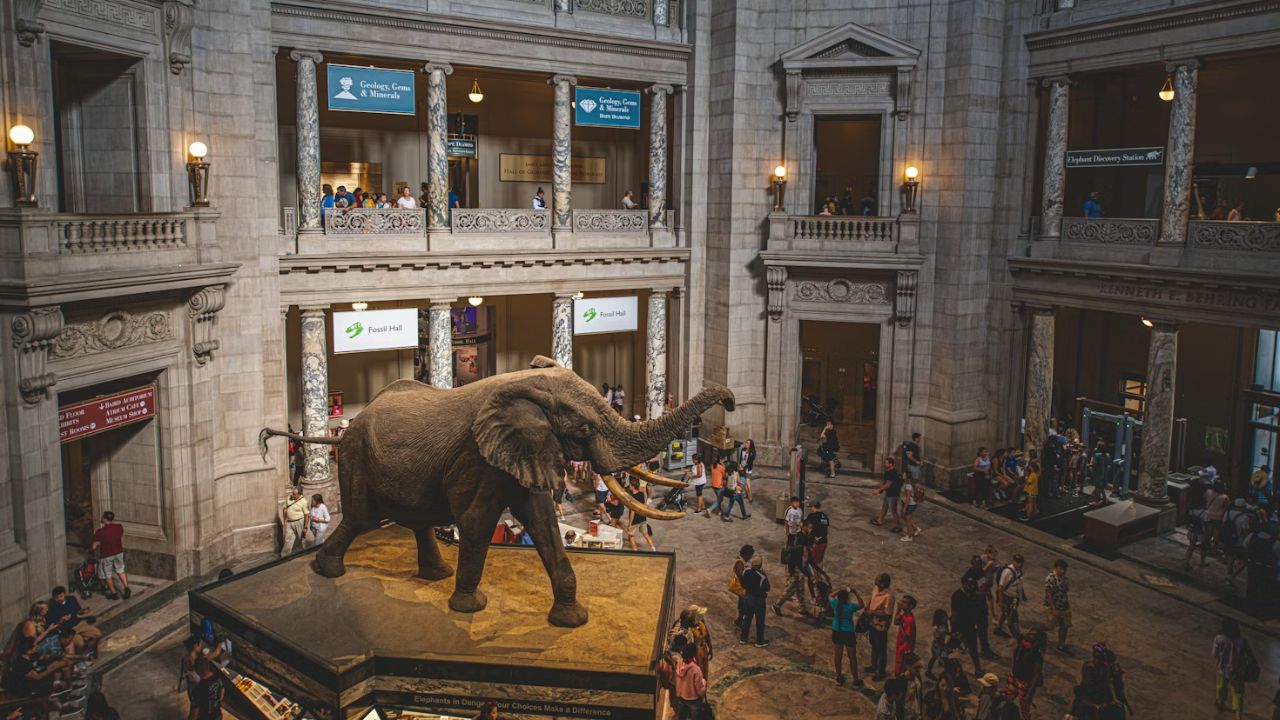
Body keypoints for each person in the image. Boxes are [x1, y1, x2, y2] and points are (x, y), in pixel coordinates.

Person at [46, 586, 100, 657]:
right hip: (69, 630)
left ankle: (86, 654)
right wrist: (61, 620)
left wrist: (83, 611)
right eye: (56, 598)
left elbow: (78, 611)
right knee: (80, 644)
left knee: (97, 634)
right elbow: (53, 624)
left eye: (61, 596)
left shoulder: (71, 599)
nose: (59, 599)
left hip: (79, 624)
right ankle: (79, 659)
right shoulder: (52, 609)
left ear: (64, 594)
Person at [950, 576, 986, 677]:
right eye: (968, 584)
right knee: (951, 647)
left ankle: (978, 669)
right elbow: (954, 614)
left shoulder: (971, 593)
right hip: (960, 628)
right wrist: (954, 630)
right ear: (963, 584)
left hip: (970, 626)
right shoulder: (957, 596)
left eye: (971, 584)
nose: (970, 586)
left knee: (973, 648)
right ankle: (942, 661)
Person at [91, 511, 130, 600]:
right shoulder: (119, 527)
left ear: (104, 519)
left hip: (107, 555)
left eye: (102, 517)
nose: (101, 518)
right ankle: (126, 588)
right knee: (120, 570)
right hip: (119, 552)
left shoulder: (100, 532)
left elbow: (93, 547)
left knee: (107, 574)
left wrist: (95, 543)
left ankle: (114, 593)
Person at [830, 586, 864, 686]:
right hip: (848, 632)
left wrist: (839, 590)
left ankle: (839, 676)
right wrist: (855, 592)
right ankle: (856, 679)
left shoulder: (835, 604)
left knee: (838, 655)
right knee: (852, 657)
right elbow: (862, 605)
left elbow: (830, 595)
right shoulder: (850, 606)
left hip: (837, 630)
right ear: (847, 598)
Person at [1213, 618, 1247, 719]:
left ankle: (1221, 703)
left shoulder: (1219, 639)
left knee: (1221, 687)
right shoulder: (1241, 641)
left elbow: (1215, 654)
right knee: (1238, 692)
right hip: (1237, 671)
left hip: (1222, 669)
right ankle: (1238, 714)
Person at [1009, 629, 1046, 720]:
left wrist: (1030, 692)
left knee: (1024, 708)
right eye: (1029, 632)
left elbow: (1036, 674)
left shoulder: (1036, 655)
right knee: (1008, 700)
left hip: (1026, 683)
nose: (1029, 634)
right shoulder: (1020, 648)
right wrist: (1012, 676)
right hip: (1015, 678)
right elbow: (1014, 663)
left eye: (1032, 635)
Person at [867, 573, 896, 681]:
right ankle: (874, 665)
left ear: (883, 583)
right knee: (874, 644)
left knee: (881, 649)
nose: (875, 583)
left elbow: (887, 614)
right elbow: (872, 598)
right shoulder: (876, 588)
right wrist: (868, 607)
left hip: (880, 626)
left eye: (877, 581)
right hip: (872, 623)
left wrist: (873, 612)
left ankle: (880, 672)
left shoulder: (889, 596)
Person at [670, 605, 713, 679]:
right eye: (691, 621)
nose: (693, 622)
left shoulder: (698, 622)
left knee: (703, 673)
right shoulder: (680, 633)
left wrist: (710, 647)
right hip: (693, 656)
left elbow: (706, 634)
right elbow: (679, 654)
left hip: (701, 651)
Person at [740, 555, 771, 647]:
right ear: (760, 565)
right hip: (758, 600)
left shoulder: (746, 572)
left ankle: (743, 638)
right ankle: (759, 641)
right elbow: (767, 588)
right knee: (760, 620)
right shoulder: (762, 576)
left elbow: (743, 584)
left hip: (748, 597)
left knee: (747, 618)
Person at [993, 554, 1026, 638]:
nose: (1020, 564)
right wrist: (1000, 601)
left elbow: (1019, 583)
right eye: (1018, 562)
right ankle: (1017, 636)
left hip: (1014, 598)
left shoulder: (1019, 571)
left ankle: (998, 627)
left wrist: (1022, 594)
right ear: (1014, 561)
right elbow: (1001, 587)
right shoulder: (1007, 572)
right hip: (1006, 597)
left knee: (1005, 613)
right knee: (1012, 618)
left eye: (1021, 563)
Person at [1043, 559, 1071, 653]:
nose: (1063, 571)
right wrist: (1053, 609)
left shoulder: (1064, 578)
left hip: (1064, 605)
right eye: (1061, 569)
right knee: (1049, 626)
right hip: (1055, 606)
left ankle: (1061, 645)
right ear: (1056, 568)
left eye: (1064, 569)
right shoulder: (1051, 578)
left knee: (1064, 626)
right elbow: (1049, 594)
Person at [673, 644, 707, 719]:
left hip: (681, 696)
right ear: (693, 654)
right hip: (693, 699)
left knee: (682, 716)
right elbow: (700, 689)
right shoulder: (696, 669)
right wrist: (704, 683)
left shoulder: (679, 664)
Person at [873, 457, 904, 534]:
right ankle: (879, 520)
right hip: (889, 493)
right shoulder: (889, 471)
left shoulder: (891, 472)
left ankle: (897, 526)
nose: (884, 464)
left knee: (893, 511)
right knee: (885, 507)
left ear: (891, 464)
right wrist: (882, 490)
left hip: (893, 494)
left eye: (886, 463)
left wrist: (878, 490)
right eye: (884, 462)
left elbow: (888, 484)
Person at [625, 475, 657, 550]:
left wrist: (630, 524)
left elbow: (632, 512)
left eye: (630, 485)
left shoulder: (633, 498)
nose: (629, 486)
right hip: (643, 518)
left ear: (633, 487)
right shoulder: (642, 494)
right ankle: (653, 549)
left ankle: (635, 550)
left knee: (631, 535)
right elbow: (644, 505)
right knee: (646, 534)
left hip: (635, 520)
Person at [279, 487, 310, 558]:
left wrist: (305, 527)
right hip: (289, 523)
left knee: (301, 539)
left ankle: (306, 554)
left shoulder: (303, 501)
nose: (292, 495)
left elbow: (307, 514)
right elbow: (284, 508)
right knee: (287, 539)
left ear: (299, 494)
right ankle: (284, 557)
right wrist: (285, 520)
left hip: (299, 522)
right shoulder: (289, 498)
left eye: (294, 494)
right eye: (292, 493)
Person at [731, 545, 754, 628]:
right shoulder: (740, 563)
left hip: (744, 587)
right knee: (743, 605)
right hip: (743, 588)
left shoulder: (743, 562)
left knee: (743, 604)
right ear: (746, 555)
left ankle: (740, 619)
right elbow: (741, 577)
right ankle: (740, 620)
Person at [894, 595, 918, 676]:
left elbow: (906, 637)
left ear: (910, 606)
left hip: (906, 647)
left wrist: (901, 624)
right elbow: (895, 622)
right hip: (901, 644)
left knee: (902, 668)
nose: (901, 603)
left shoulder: (910, 620)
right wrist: (898, 610)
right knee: (898, 664)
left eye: (904, 602)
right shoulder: (904, 614)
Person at [805, 500, 829, 564]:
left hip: (815, 543)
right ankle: (819, 572)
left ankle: (814, 573)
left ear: (813, 507)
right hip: (824, 542)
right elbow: (826, 530)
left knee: (813, 562)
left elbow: (806, 526)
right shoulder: (825, 516)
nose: (811, 509)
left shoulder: (811, 516)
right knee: (819, 561)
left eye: (811, 507)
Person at [900, 471, 921, 541]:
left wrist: (904, 508)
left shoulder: (908, 485)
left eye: (904, 474)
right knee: (904, 517)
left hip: (911, 504)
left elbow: (908, 498)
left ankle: (909, 536)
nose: (902, 475)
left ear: (907, 476)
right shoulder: (906, 483)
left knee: (907, 519)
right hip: (907, 503)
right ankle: (916, 529)